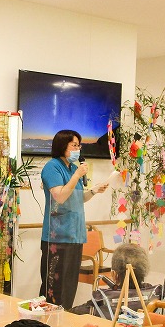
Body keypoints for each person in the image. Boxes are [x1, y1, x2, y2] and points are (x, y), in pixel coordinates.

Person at [40, 129, 108, 309]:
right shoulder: (52, 167)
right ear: (62, 146)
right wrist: (77, 175)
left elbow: (77, 198)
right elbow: (59, 196)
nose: (78, 149)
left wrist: (94, 191)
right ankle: (47, 323)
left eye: (79, 146)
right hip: (57, 237)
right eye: (74, 145)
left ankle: (64, 320)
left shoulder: (72, 168)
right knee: (54, 289)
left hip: (75, 235)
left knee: (69, 288)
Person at [71, 243, 155, 316]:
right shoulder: (155, 295)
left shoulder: (102, 300)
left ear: (114, 274)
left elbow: (73, 314)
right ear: (144, 272)